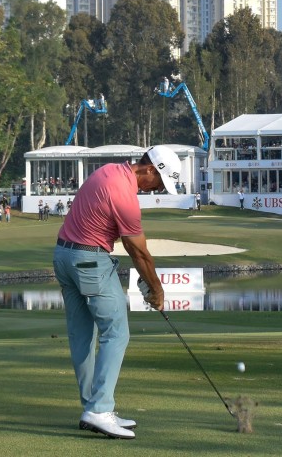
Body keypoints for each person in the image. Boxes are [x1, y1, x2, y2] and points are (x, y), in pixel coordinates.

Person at [52, 145, 179, 440]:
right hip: (88, 260)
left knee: (82, 335)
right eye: (159, 182)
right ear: (150, 169)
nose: (154, 189)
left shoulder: (108, 171)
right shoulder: (124, 194)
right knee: (116, 332)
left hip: (63, 256)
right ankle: (99, 409)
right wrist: (157, 290)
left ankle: (92, 409)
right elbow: (139, 252)